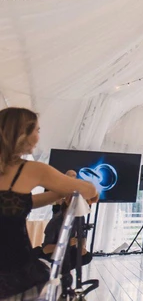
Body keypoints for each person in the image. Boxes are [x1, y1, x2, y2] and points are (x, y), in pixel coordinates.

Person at [0, 107, 98, 300]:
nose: (38, 137)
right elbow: (89, 190)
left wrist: (58, 193)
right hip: (13, 272)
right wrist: (69, 179)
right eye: (37, 130)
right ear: (23, 134)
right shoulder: (32, 170)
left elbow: (15, 204)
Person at [40, 185, 93, 296]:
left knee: (87, 256)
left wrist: (82, 247)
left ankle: (64, 273)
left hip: (69, 251)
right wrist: (65, 244)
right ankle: (62, 279)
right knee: (65, 264)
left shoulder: (79, 218)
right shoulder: (55, 222)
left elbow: (82, 235)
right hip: (54, 252)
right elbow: (45, 249)